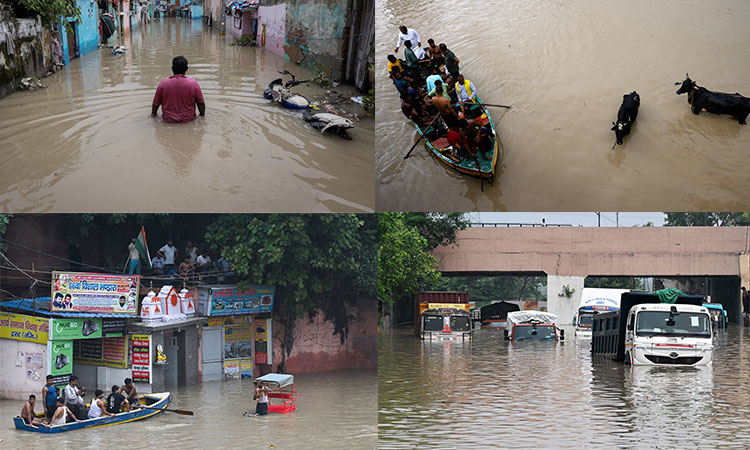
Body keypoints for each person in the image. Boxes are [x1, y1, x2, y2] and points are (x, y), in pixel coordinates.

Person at [152, 56, 206, 123]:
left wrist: (153, 115)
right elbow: (201, 103)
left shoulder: (163, 84)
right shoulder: (193, 84)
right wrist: (202, 116)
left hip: (168, 121)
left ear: (172, 68)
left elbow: (156, 104)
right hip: (188, 121)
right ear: (186, 68)